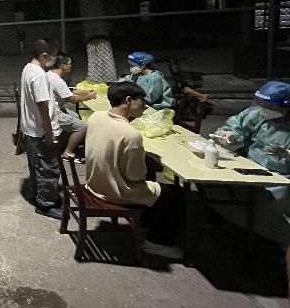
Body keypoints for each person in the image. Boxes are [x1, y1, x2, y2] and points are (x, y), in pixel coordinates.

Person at [74, 81, 184, 259]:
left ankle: (146, 221)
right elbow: (135, 176)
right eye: (141, 101)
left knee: (151, 176)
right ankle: (156, 242)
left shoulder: (96, 117)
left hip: (94, 183)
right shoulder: (131, 135)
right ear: (128, 100)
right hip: (115, 191)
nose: (144, 106)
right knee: (174, 195)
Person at [212, 80, 290, 270]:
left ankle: (279, 242)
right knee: (217, 185)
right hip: (249, 166)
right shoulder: (257, 115)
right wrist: (229, 136)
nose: (264, 110)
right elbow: (236, 126)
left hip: (281, 176)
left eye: (270, 107)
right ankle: (231, 227)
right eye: (262, 105)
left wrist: (287, 154)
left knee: (272, 203)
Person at [20, 39, 62, 219]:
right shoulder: (38, 74)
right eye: (53, 56)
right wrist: (49, 130)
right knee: (48, 168)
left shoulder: (27, 68)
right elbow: (42, 104)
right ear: (44, 55)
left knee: (37, 165)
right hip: (40, 129)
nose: (53, 59)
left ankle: (38, 195)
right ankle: (46, 205)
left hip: (31, 128)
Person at [47, 53, 96, 157]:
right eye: (69, 63)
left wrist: (86, 92)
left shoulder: (50, 74)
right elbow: (72, 99)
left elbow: (68, 91)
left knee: (76, 116)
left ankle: (63, 143)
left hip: (49, 108)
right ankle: (67, 152)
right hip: (53, 112)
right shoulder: (58, 81)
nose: (71, 66)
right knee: (83, 126)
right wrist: (89, 96)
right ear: (62, 65)